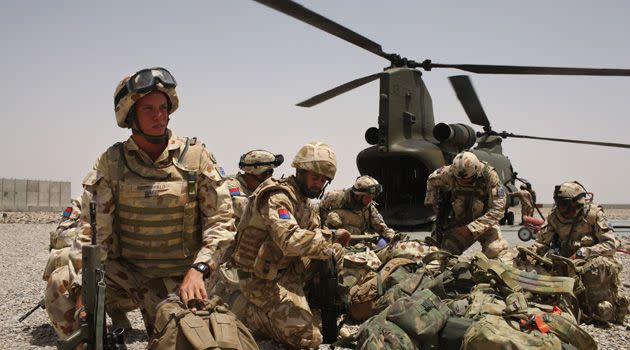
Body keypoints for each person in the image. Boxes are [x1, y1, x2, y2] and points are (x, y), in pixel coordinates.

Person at [45, 67, 236, 340]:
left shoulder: (195, 158)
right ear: (130, 115)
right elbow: (94, 235)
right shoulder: (112, 163)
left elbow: (221, 223)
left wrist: (200, 268)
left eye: (163, 108)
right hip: (125, 275)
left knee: (193, 339)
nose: (159, 116)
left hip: (180, 278)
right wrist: (82, 292)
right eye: (148, 109)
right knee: (61, 281)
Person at [229, 141, 351, 349]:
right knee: (309, 338)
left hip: (284, 270)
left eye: (323, 180)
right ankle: (249, 313)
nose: (319, 184)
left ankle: (315, 308)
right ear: (300, 171)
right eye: (315, 178)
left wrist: (329, 242)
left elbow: (312, 240)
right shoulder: (277, 196)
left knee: (333, 253)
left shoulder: (304, 202)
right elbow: (290, 240)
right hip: (255, 278)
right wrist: (330, 237)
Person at [533, 181, 628, 323]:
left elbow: (610, 244)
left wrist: (584, 252)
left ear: (577, 204)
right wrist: (532, 253)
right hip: (566, 262)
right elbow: (541, 242)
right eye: (559, 204)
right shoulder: (554, 216)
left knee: (597, 270)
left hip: (592, 262)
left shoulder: (593, 214)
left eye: (565, 205)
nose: (561, 209)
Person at [43, 193, 136, 335]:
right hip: (88, 268)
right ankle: (80, 325)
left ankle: (115, 309)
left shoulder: (131, 201)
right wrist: (93, 234)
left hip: (121, 274)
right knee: (64, 256)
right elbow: (59, 237)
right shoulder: (81, 202)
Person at [424, 151, 508, 258]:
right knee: (443, 253)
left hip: (486, 224)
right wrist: (432, 202)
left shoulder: (489, 175)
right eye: (459, 179)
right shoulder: (448, 172)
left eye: (467, 179)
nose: (463, 182)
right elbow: (432, 180)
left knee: (496, 249)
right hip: (460, 224)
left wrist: (470, 229)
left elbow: (498, 209)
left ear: (476, 170)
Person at [227, 149, 283, 226]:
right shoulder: (232, 187)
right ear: (255, 173)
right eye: (267, 173)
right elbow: (245, 211)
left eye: (271, 172)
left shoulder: (256, 189)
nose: (270, 177)